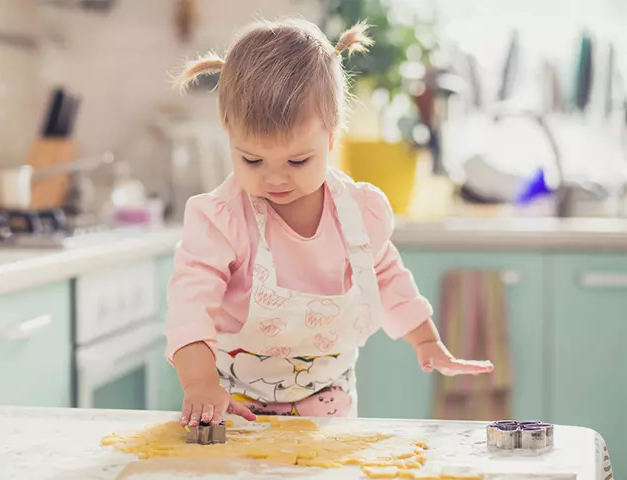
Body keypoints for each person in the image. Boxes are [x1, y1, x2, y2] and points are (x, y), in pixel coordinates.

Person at [166, 17, 493, 428]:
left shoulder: (358, 213)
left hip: (328, 409)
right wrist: (197, 381)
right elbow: (189, 303)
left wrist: (425, 340)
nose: (275, 177)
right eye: (252, 159)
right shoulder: (222, 219)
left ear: (332, 138)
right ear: (228, 134)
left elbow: (385, 275)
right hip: (234, 405)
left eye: (298, 160)